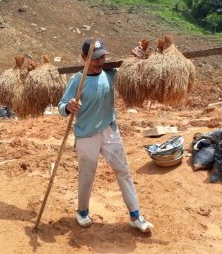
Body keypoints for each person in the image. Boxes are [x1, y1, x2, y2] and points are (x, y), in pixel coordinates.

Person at [58, 38, 154, 233]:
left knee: (123, 170)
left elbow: (133, 76)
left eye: (102, 57)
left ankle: (136, 216)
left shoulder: (111, 74)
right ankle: (82, 212)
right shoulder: (77, 80)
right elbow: (61, 107)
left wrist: (138, 59)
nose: (100, 62)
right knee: (87, 175)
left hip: (109, 130)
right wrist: (69, 107)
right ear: (84, 58)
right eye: (94, 58)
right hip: (86, 135)